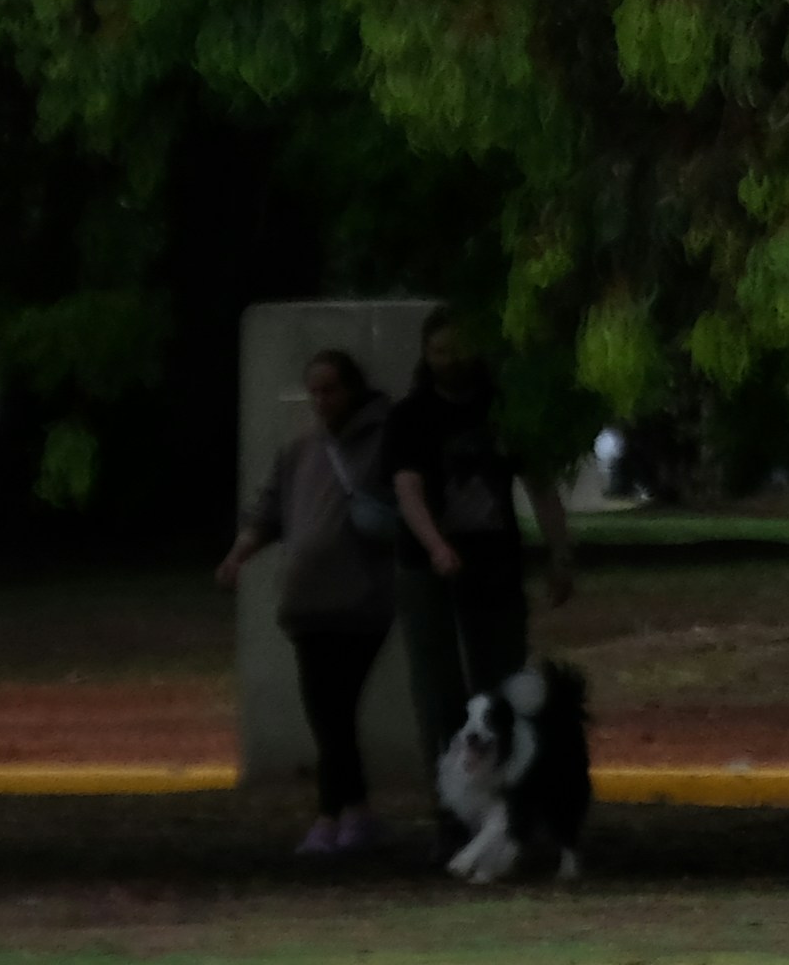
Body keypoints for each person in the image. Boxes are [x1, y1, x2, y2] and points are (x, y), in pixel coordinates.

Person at [377, 311, 572, 789]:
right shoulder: (410, 416)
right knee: (437, 687)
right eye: (440, 351)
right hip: (426, 567)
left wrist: (560, 552)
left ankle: (507, 797)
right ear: (426, 356)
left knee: (502, 679)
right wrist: (436, 546)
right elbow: (408, 490)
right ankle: (449, 801)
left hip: (495, 561)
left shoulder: (503, 408)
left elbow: (541, 484)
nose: (451, 361)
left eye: (459, 349)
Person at [216, 349, 396, 853]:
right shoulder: (300, 450)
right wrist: (237, 557)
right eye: (314, 391)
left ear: (352, 389)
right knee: (326, 712)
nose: (321, 401)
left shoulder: (383, 442)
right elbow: (269, 509)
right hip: (308, 603)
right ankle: (352, 813)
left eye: (330, 390)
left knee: (336, 709)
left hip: (362, 600)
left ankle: (329, 816)